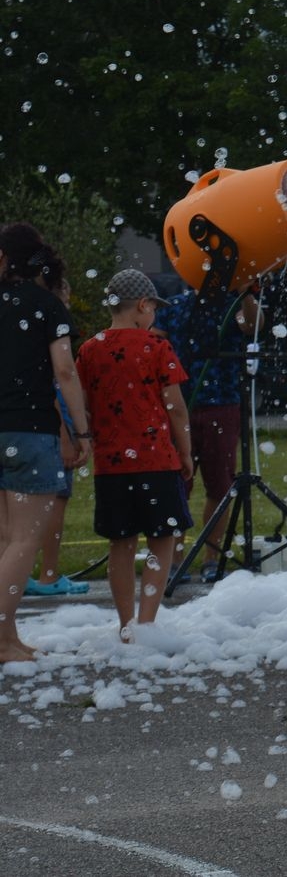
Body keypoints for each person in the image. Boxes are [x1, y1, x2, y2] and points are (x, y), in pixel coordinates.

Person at [75, 269, 194, 641]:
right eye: (154, 309)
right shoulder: (157, 348)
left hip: (111, 464)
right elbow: (175, 407)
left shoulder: (90, 349)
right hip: (156, 460)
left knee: (121, 543)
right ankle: (146, 620)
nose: (154, 316)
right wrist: (186, 451)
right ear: (142, 306)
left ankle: (125, 623)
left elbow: (82, 401)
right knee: (162, 539)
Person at [0, 224, 92, 662]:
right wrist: (82, 429)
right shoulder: (45, 305)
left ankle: (10, 635)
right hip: (29, 430)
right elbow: (65, 371)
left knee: (4, 540)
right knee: (24, 541)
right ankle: (1, 640)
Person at [153, 280, 263, 582]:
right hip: (179, 404)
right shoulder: (173, 306)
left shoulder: (232, 303)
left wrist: (248, 294)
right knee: (176, 485)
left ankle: (210, 559)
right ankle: (174, 561)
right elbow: (153, 346)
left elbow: (253, 326)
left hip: (221, 404)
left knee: (220, 485)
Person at [25, 253, 89, 596]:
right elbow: (55, 382)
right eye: (65, 295)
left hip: (30, 428)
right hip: (49, 428)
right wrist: (69, 435)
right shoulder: (48, 323)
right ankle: (48, 574)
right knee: (54, 503)